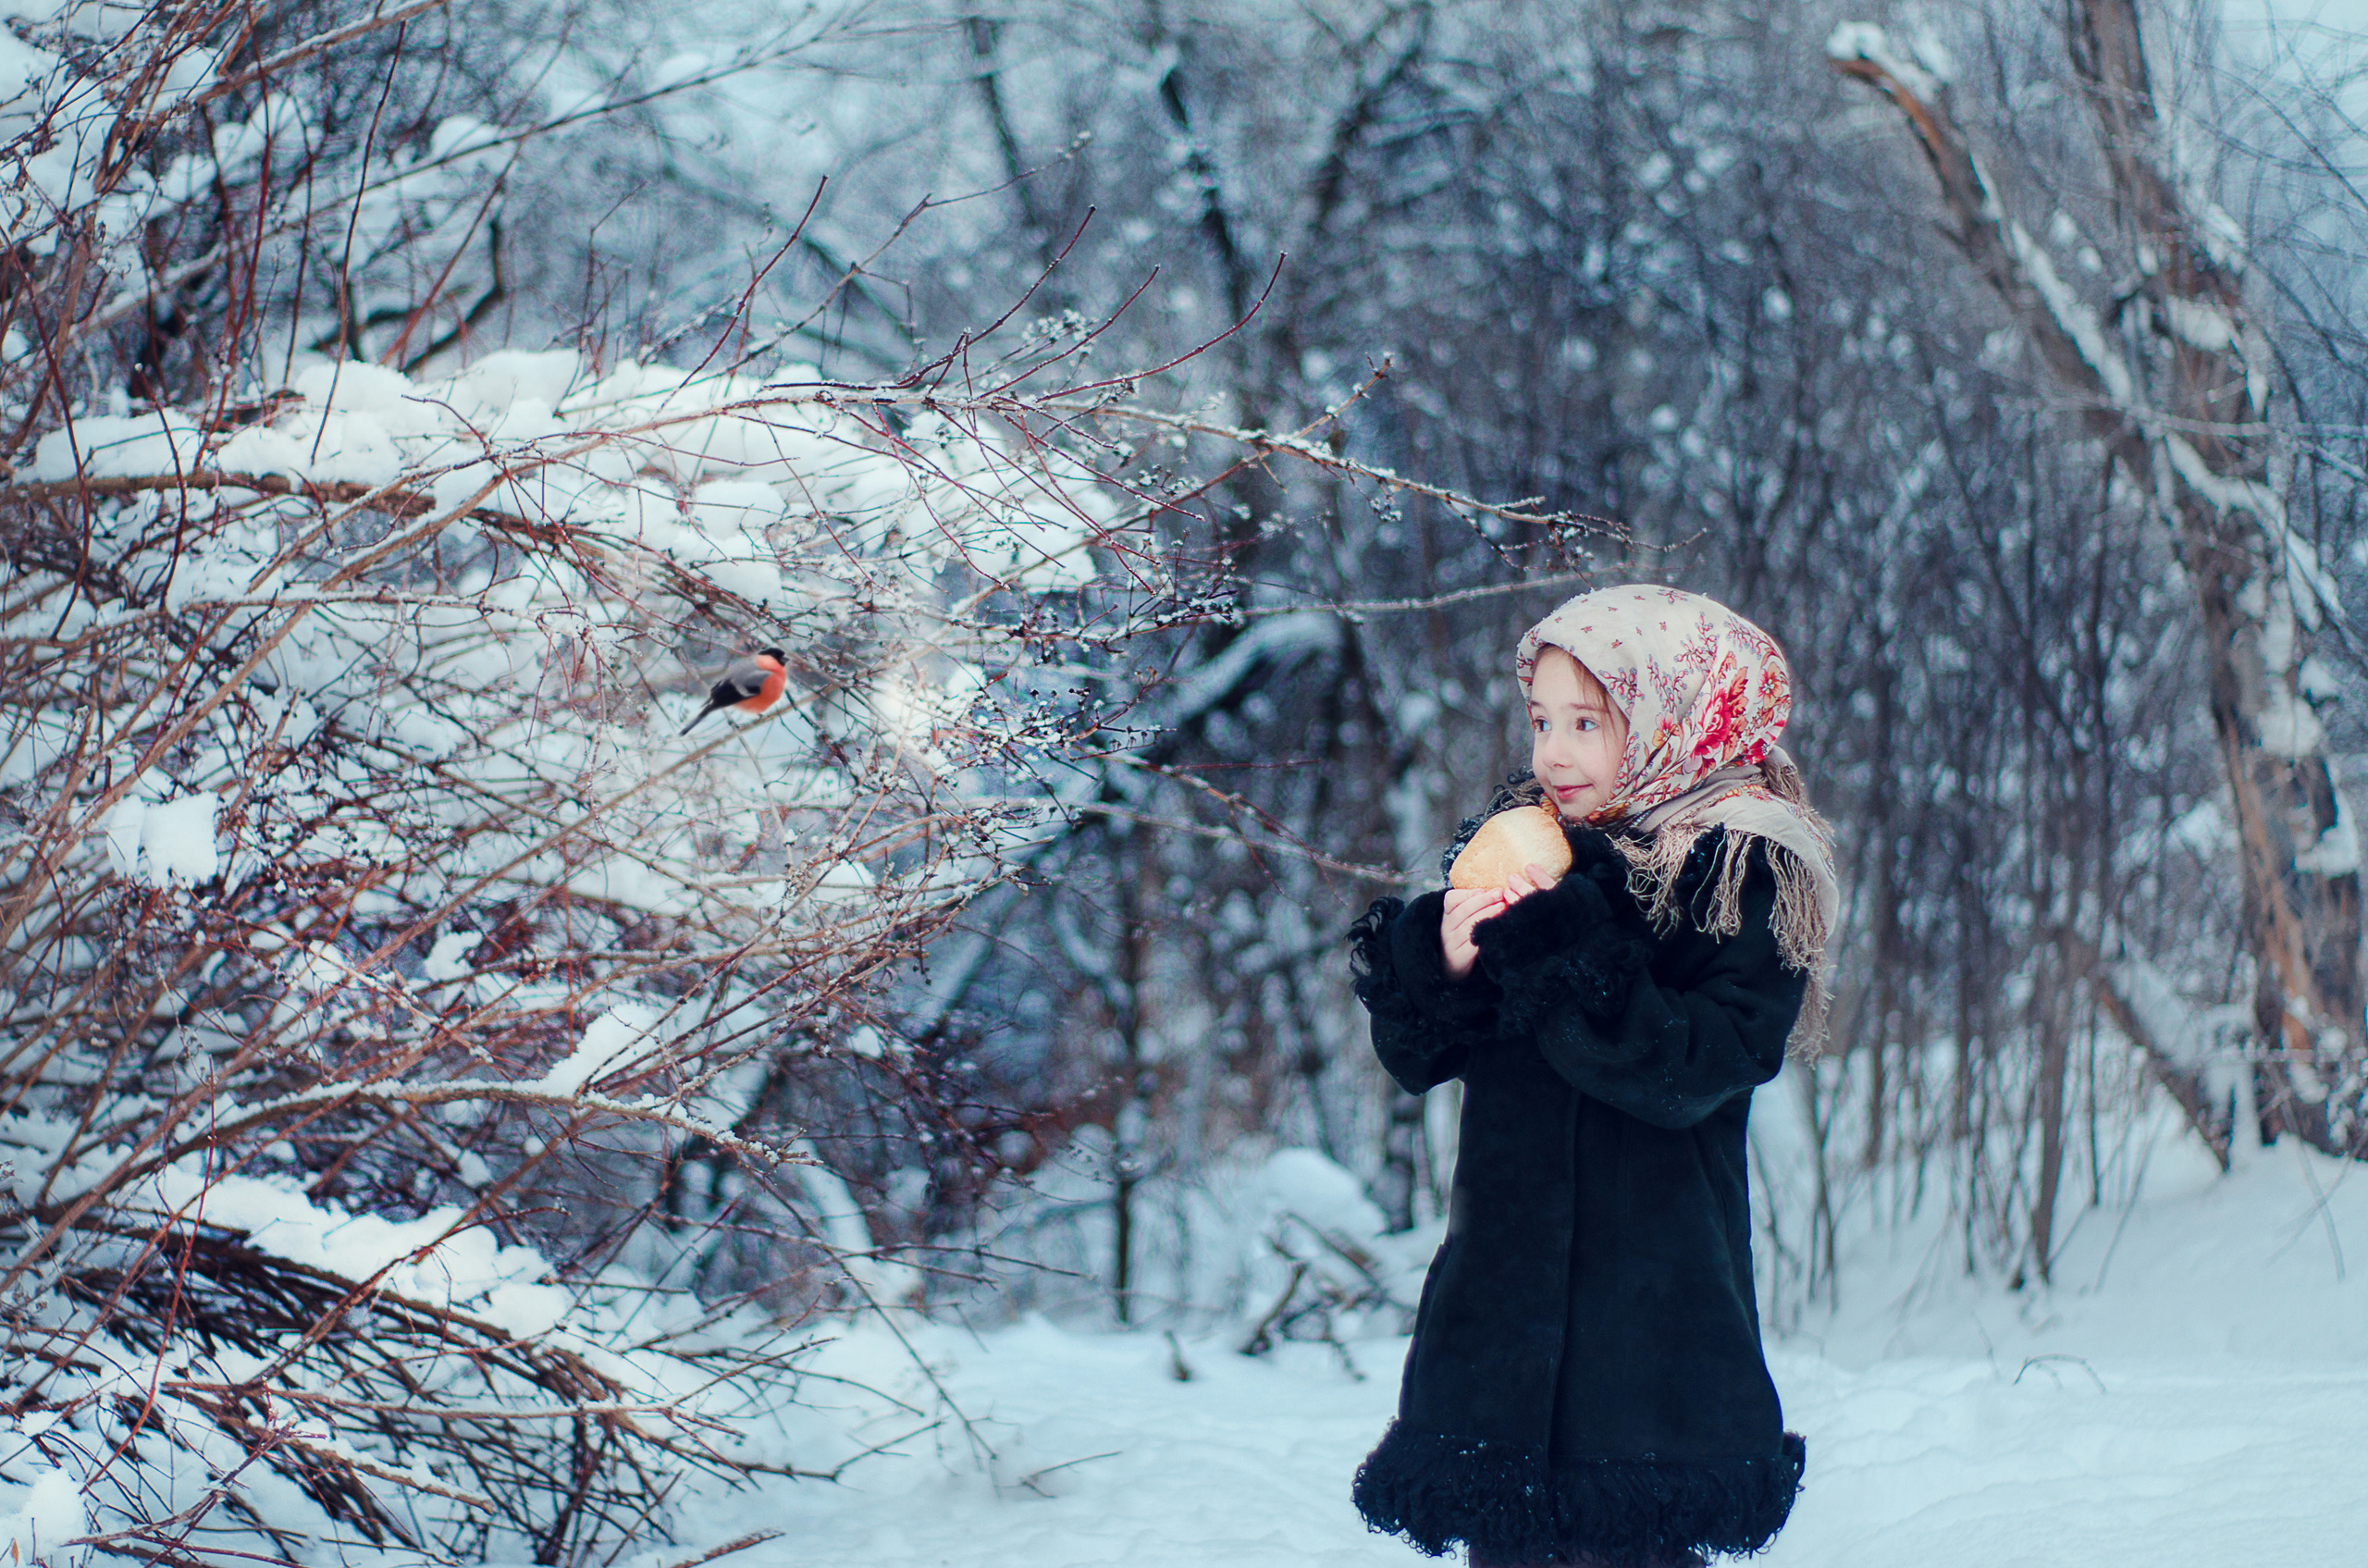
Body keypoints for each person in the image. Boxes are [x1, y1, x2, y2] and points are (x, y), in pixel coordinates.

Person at [1346, 585, 1839, 1568]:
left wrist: (1566, 949)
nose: (1551, 754)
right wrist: (1446, 962)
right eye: (1539, 720)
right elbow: (1422, 1055)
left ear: (1673, 719)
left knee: (1633, 1540)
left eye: (1586, 723)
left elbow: (1699, 1065)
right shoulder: (1528, 840)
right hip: (1505, 1293)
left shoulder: (1739, 865)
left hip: (1647, 1310)